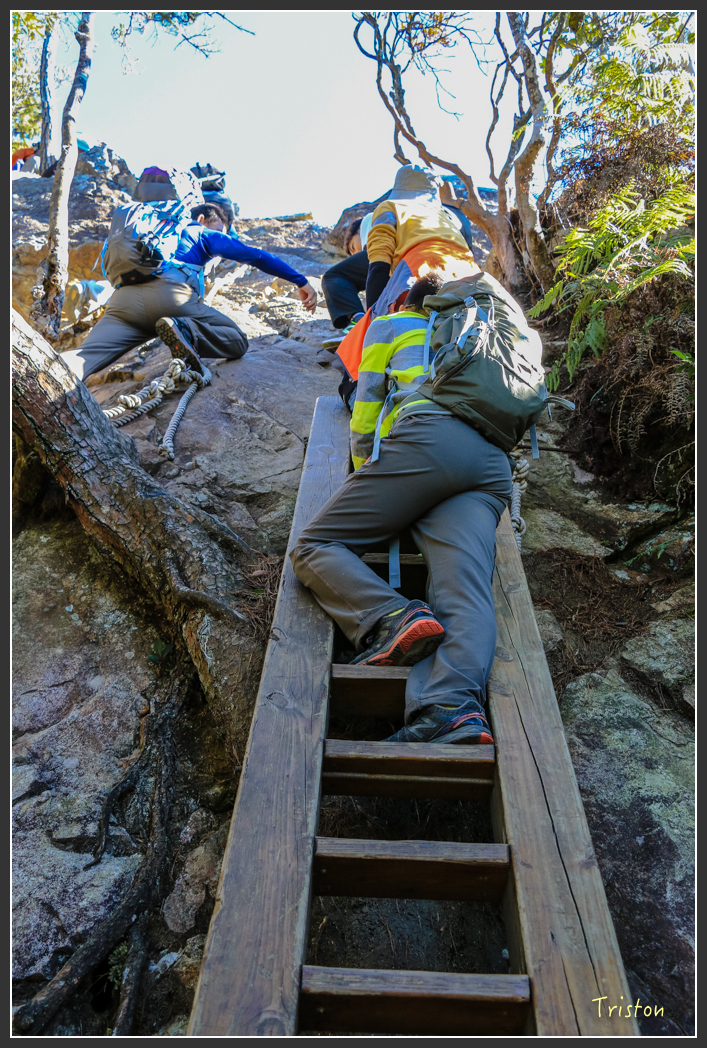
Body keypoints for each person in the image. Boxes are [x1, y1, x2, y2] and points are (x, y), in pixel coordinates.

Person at [290, 272, 512, 745]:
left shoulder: (392, 325)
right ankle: (451, 711)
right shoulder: (484, 340)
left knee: (313, 545)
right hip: (492, 464)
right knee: (464, 591)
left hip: (427, 442)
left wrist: (364, 474)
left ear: (408, 303)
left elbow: (366, 403)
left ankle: (391, 618)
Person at [62, 176, 317, 382]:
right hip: (172, 298)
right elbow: (255, 256)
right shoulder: (198, 231)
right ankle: (185, 330)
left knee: (82, 358)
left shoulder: (146, 223)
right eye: (218, 227)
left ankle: (36, 377)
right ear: (203, 217)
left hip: (123, 303)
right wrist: (300, 280)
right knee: (237, 340)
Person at [335, 165, 481, 408]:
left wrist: (374, 321)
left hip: (418, 282)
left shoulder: (390, 207)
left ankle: (362, 396)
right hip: (471, 286)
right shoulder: (445, 216)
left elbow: (378, 267)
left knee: (357, 364)